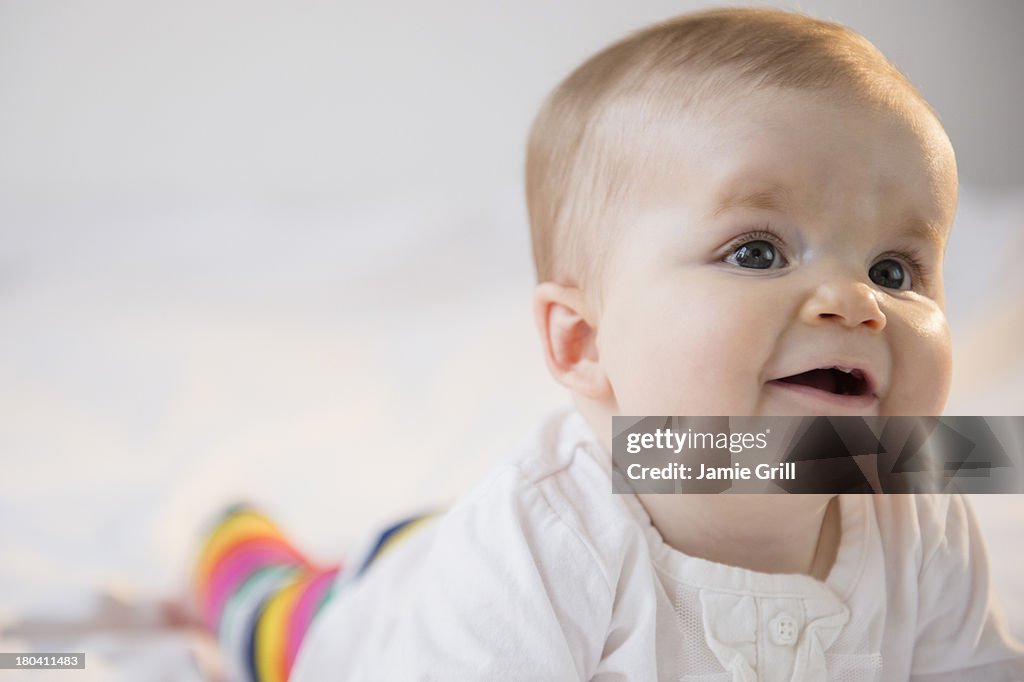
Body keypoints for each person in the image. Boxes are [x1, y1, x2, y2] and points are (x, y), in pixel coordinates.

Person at [191, 8, 1024, 680]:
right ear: (584, 341)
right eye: (757, 252)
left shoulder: (918, 511)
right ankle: (231, 536)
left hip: (462, 546)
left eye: (895, 268)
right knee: (271, 615)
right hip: (379, 611)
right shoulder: (543, 548)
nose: (856, 303)